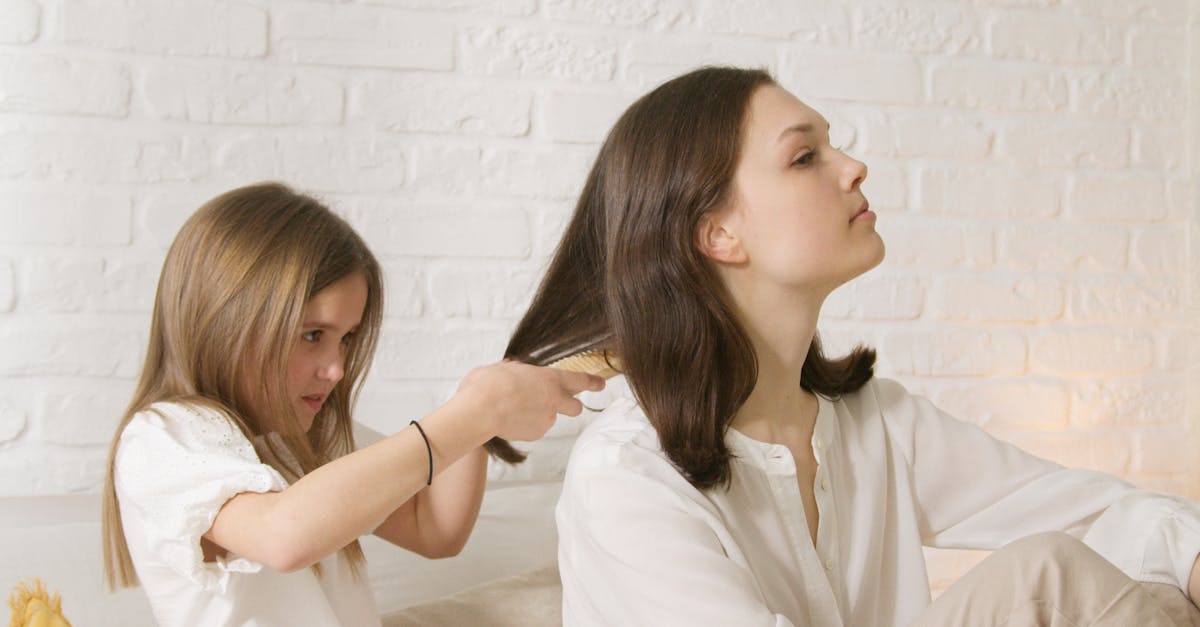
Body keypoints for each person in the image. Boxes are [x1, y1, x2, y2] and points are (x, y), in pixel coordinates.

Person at [504, 66, 1200, 626]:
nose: (854, 165)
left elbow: (1091, 508)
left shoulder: (877, 423)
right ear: (718, 233)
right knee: (1043, 576)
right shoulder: (626, 476)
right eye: (806, 156)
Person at [100, 182, 603, 626]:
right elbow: (284, 537)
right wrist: (469, 414)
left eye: (346, 339)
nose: (336, 368)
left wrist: (479, 403)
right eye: (313, 335)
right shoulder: (164, 436)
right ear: (226, 320)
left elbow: (436, 530)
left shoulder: (310, 437)